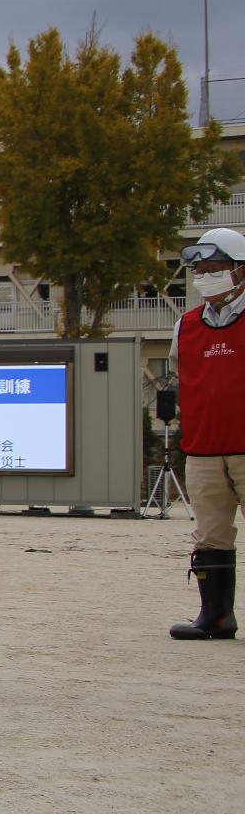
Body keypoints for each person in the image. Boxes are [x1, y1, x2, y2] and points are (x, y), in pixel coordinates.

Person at [167, 227, 245, 640]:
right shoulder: (186, 325)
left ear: (239, 270)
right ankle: (216, 616)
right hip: (203, 449)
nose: (203, 276)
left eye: (214, 268)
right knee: (210, 536)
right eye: (198, 270)